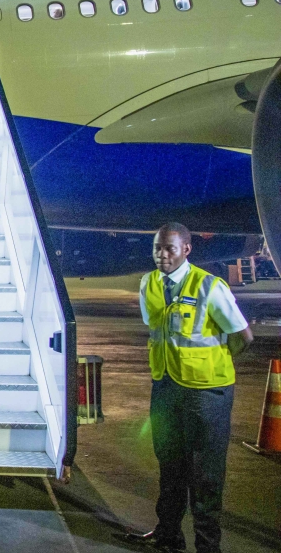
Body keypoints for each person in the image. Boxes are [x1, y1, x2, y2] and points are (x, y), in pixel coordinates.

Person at [119, 223, 254, 553]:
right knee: (170, 467)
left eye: (169, 249)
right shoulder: (148, 283)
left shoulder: (210, 286)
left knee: (206, 475)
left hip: (206, 394)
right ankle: (168, 537)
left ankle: (208, 546)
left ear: (186, 250)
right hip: (165, 388)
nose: (162, 255)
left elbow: (243, 337)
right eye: (157, 248)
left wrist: (209, 366)